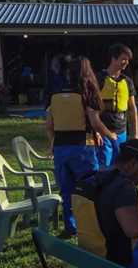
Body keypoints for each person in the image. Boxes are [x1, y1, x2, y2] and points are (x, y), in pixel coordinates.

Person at [45, 57, 115, 237]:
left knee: (66, 190)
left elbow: (49, 123)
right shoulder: (87, 91)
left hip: (61, 148)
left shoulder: (55, 93)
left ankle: (70, 226)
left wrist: (52, 142)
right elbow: (94, 120)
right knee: (89, 187)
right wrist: (109, 134)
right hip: (83, 146)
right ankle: (92, 224)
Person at [73, 138, 138, 266]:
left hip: (90, 266)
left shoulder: (91, 178)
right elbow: (133, 229)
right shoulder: (124, 188)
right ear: (132, 164)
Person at [97, 43, 138, 168]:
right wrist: (96, 131)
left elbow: (132, 109)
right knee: (105, 166)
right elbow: (90, 109)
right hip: (103, 131)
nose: (126, 62)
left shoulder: (127, 81)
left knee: (121, 166)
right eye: (123, 59)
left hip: (122, 132)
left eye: (127, 60)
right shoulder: (99, 79)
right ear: (113, 59)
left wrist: (135, 134)